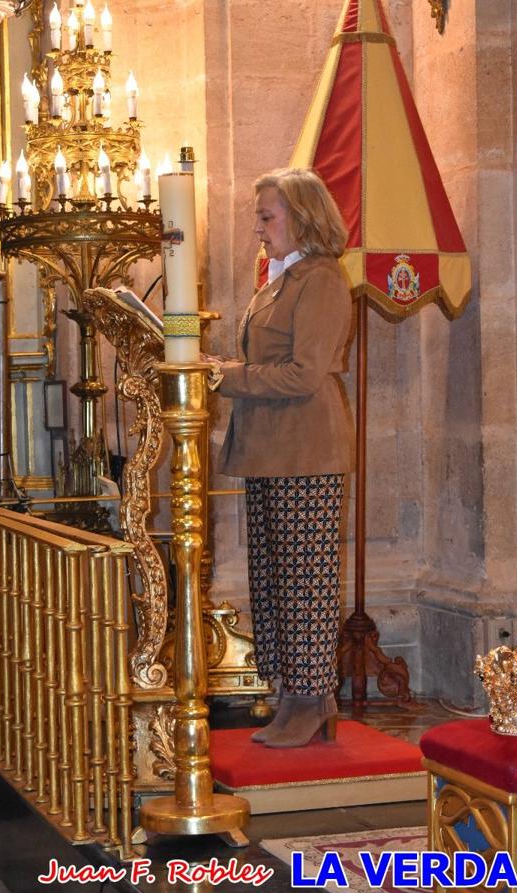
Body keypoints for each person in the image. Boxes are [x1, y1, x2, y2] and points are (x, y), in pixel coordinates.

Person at [208, 168, 354, 748]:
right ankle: (289, 691)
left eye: (268, 216)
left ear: (304, 217)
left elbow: (304, 372)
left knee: (306, 583)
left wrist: (225, 376)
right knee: (272, 580)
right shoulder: (278, 279)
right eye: (259, 216)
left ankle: (312, 698)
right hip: (271, 450)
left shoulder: (320, 280)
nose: (259, 228)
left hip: (307, 451)